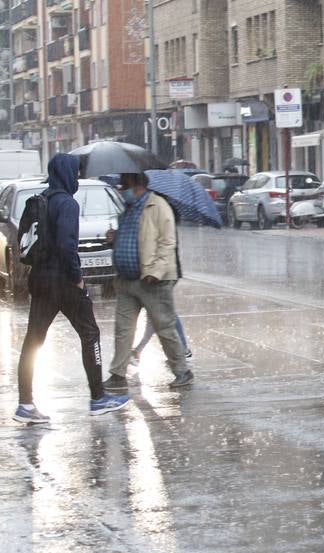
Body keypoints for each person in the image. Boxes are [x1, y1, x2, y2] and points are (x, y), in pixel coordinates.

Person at [12, 154, 129, 423]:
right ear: (66, 173)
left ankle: (25, 404)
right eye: (74, 172)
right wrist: (77, 278)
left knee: (33, 341)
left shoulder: (42, 200)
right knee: (90, 333)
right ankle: (98, 398)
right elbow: (67, 246)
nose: (76, 177)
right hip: (63, 281)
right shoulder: (67, 204)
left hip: (39, 278)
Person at [105, 172, 193, 390]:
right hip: (126, 280)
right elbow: (130, 237)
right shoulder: (127, 209)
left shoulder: (158, 206)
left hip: (152, 280)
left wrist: (156, 271)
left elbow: (167, 243)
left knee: (165, 327)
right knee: (123, 329)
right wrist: (114, 239)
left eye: (124, 185)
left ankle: (182, 370)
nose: (121, 189)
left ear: (137, 185)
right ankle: (117, 374)